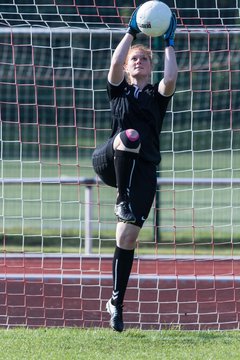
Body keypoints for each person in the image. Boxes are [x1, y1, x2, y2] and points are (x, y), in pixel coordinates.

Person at [92, 6, 178, 332]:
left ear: (150, 66)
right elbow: (114, 64)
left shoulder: (157, 96)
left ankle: (116, 301)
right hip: (110, 160)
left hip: (143, 173)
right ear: (128, 69)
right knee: (128, 137)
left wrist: (168, 40)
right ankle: (123, 198)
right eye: (134, 60)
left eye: (144, 59)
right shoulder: (119, 89)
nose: (138, 62)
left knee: (126, 238)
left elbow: (170, 78)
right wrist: (131, 32)